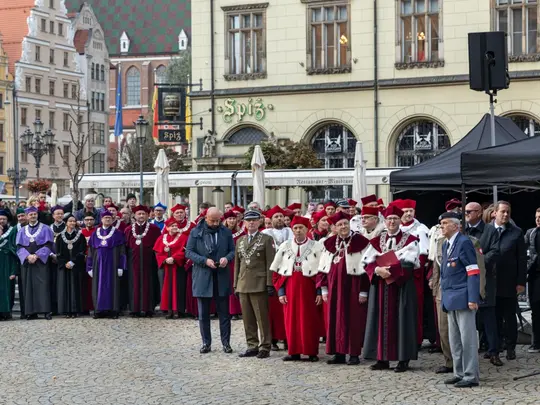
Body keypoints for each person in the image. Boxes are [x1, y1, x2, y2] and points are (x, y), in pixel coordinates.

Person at [362, 204, 419, 372]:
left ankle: (403, 359)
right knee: (379, 320)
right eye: (389, 219)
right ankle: (382, 358)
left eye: (395, 219)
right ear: (384, 221)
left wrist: (390, 272)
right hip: (380, 288)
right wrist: (377, 270)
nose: (391, 222)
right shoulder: (376, 241)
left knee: (402, 320)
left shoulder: (410, 240)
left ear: (400, 221)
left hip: (401, 288)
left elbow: (410, 263)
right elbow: (366, 262)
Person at [318, 212, 371, 365]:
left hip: (353, 287)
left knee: (353, 319)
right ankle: (339, 353)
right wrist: (324, 289)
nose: (343, 227)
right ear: (334, 227)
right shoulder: (329, 243)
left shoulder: (361, 241)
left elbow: (366, 268)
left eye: (345, 224)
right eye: (340, 225)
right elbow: (322, 268)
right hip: (334, 288)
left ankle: (354, 354)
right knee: (335, 319)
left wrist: (363, 290)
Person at [271, 215, 323, 362]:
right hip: (290, 289)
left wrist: (319, 291)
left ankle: (311, 351)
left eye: (301, 228)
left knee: (310, 320)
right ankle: (293, 351)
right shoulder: (285, 247)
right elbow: (278, 271)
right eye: (295, 228)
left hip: (309, 290)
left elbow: (321, 271)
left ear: (307, 229)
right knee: (291, 320)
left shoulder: (317, 246)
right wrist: (280, 292)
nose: (298, 230)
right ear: (292, 230)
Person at [439, 212, 481, 388]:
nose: (442, 226)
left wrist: (472, 298)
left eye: (445, 223)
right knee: (454, 338)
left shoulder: (464, 242)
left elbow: (473, 271)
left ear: (456, 226)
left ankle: (471, 375)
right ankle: (459, 372)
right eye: (441, 223)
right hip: (450, 297)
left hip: (463, 297)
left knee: (467, 339)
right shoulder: (445, 244)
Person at [186, 207, 235, 354]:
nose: (215, 223)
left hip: (221, 275)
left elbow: (232, 250)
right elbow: (188, 252)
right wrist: (204, 261)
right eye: (212, 220)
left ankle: (226, 343)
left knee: (224, 313)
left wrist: (227, 258)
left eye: (217, 220)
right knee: (203, 314)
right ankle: (206, 343)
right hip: (203, 275)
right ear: (206, 217)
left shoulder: (226, 232)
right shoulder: (196, 232)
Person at [235, 210, 276, 359]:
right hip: (243, 283)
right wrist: (235, 284)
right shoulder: (240, 241)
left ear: (259, 222)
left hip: (259, 284)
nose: (251, 222)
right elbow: (237, 265)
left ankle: (265, 346)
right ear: (244, 223)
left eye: (254, 220)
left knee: (262, 318)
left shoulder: (266, 239)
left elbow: (270, 262)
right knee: (247, 318)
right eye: (248, 220)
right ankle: (251, 345)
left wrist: (270, 283)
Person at [465, 202, 502, 366]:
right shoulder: (462, 229)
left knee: (488, 317)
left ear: (479, 213)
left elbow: (495, 251)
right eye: (465, 212)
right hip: (465, 279)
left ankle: (494, 351)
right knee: (468, 317)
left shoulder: (490, 230)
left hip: (485, 278)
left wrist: (477, 262)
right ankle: (469, 352)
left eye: (469, 212)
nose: (466, 214)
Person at [493, 201, 526, 360]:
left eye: (508, 212)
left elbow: (521, 259)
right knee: (495, 316)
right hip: (492, 281)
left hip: (509, 281)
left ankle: (510, 346)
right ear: (495, 213)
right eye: (503, 212)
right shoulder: (489, 230)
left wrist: (520, 282)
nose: (505, 215)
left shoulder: (516, 232)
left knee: (509, 316)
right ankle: (496, 346)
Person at [16, 206, 55, 320]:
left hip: (41, 262)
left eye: (34, 214)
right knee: (28, 286)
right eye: (30, 214)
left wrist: (37, 255)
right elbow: (19, 247)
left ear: (37, 215)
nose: (33, 216)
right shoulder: (22, 230)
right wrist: (27, 256)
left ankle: (46, 311)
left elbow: (49, 245)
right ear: (27, 216)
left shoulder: (46, 228)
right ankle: (31, 312)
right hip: (27, 262)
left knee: (43, 286)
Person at [86, 210, 127, 319]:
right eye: (105, 218)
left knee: (112, 286)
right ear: (101, 219)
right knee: (98, 286)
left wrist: (121, 266)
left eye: (109, 218)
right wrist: (89, 266)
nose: (107, 219)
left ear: (113, 219)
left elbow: (122, 251)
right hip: (98, 264)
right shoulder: (95, 233)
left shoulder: (118, 233)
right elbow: (90, 251)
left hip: (112, 264)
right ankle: (99, 310)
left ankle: (113, 310)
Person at [262, 205, 291, 350]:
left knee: (287, 307)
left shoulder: (290, 232)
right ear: (271, 219)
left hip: (288, 273)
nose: (279, 219)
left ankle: (287, 337)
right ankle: (272, 338)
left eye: (281, 216)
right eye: (276, 217)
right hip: (272, 274)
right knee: (272, 310)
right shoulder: (266, 233)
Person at [125, 205, 161, 317]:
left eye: (143, 214)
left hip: (149, 263)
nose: (141, 216)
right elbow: (125, 248)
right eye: (139, 214)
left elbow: (158, 246)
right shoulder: (128, 230)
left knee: (149, 284)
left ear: (147, 215)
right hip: (133, 263)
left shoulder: (154, 229)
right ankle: (134, 309)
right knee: (133, 284)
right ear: (134, 216)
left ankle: (148, 308)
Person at [154, 218, 189, 319]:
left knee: (178, 288)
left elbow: (185, 251)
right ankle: (168, 310)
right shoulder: (161, 238)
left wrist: (174, 258)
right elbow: (157, 252)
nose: (174, 228)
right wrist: (165, 259)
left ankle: (178, 310)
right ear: (167, 228)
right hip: (165, 268)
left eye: (176, 226)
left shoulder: (183, 238)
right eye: (172, 226)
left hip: (178, 267)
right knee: (166, 289)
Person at [55, 214, 87, 318]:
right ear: (66, 223)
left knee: (76, 287)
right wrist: (65, 262)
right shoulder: (60, 237)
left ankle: (75, 310)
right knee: (65, 287)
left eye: (74, 221)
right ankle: (66, 310)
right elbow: (58, 252)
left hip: (76, 266)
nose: (72, 223)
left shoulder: (80, 236)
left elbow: (82, 251)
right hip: (64, 267)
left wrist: (73, 262)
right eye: (70, 221)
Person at [223, 210, 244, 319]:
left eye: (233, 218)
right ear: (226, 220)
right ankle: (228, 310)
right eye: (229, 219)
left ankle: (237, 310)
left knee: (237, 285)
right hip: (226, 263)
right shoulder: (222, 232)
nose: (232, 221)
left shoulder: (241, 233)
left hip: (238, 262)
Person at [525, 207, 540, 353]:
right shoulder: (531, 233)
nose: (538, 219)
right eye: (536, 217)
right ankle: (536, 342)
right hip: (535, 276)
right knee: (535, 310)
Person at [0, 210, 17, 320]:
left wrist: (13, 270)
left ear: (7, 220)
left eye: (4, 219)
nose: (2, 221)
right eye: (0, 219)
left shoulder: (12, 231)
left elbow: (13, 249)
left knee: (7, 289)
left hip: (6, 264)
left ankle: (6, 312)